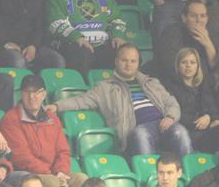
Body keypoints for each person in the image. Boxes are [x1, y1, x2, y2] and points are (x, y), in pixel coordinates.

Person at [52, 44, 193, 157]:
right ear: (116, 61)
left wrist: (170, 117)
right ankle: (148, 175)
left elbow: (171, 102)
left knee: (181, 132)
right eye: (124, 60)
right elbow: (82, 101)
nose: (128, 64)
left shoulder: (151, 82)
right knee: (141, 135)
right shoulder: (105, 87)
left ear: (138, 63)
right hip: (136, 130)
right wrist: (57, 106)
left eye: (133, 61)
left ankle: (186, 177)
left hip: (163, 124)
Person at [0, 74, 88, 187]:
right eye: (27, 92)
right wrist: (52, 175)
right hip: (21, 173)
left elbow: (63, 151)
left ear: (44, 95)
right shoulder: (11, 119)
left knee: (81, 180)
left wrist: (61, 172)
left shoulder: (52, 118)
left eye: (37, 92)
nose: (32, 97)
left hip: (51, 173)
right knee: (51, 183)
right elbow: (21, 157)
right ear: (21, 94)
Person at [45, 0, 127, 75]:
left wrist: (117, 35)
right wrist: (77, 37)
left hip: (102, 44)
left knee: (127, 52)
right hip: (72, 45)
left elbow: (116, 17)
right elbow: (55, 23)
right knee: (82, 54)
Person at [165, 47, 219, 152]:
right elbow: (176, 113)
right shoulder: (171, 87)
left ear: (198, 66)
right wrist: (201, 123)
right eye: (184, 62)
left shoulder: (203, 85)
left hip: (204, 129)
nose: (188, 66)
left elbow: (211, 107)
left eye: (192, 62)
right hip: (186, 130)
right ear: (178, 66)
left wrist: (209, 116)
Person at [156, 0, 219, 82]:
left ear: (207, 19)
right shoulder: (171, 33)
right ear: (184, 18)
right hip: (178, 81)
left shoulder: (211, 35)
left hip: (205, 82)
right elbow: (172, 65)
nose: (199, 20)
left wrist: (208, 45)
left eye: (202, 16)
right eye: (193, 16)